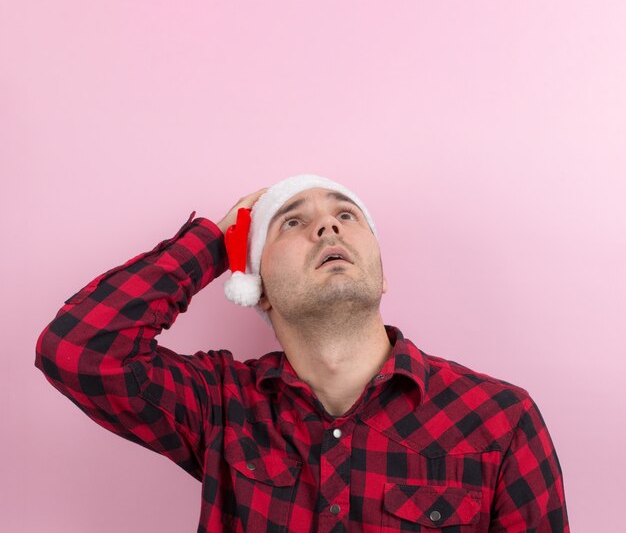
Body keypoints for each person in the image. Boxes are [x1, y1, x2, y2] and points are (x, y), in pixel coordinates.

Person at [35, 174, 570, 532]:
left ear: (381, 276)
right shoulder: (222, 404)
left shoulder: (501, 419)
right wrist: (217, 239)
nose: (327, 225)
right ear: (257, 286)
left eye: (347, 215)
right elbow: (79, 350)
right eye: (291, 220)